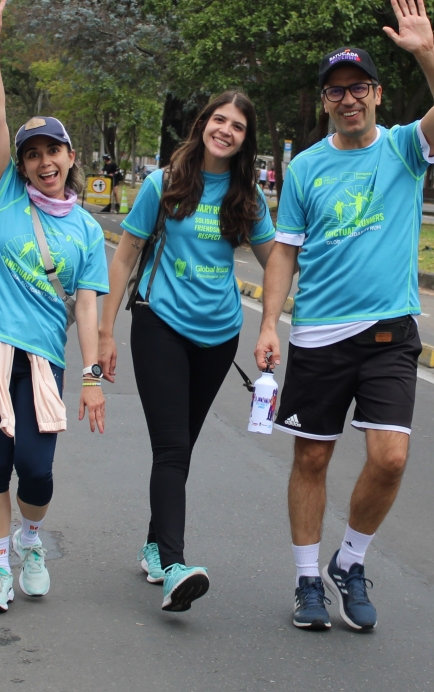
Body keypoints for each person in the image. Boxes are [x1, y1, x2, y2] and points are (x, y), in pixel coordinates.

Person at [254, 0, 434, 632]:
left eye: (359, 87)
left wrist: (426, 51)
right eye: (336, 90)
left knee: (390, 457)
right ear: (325, 101)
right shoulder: (306, 169)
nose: (348, 98)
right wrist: (268, 322)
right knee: (311, 459)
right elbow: (285, 253)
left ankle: (352, 561)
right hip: (318, 334)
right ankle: (306, 580)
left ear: (376, 93)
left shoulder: (404, 148)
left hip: (389, 331)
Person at [0, 0, 109, 614]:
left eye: (53, 152)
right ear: (20, 166)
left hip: (43, 361)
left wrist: (91, 377)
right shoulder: (9, 197)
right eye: (32, 155)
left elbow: (90, 309)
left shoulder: (89, 233)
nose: (44, 162)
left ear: (71, 158)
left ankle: (31, 541)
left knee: (36, 471)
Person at [99, 90, 275, 614]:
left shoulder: (248, 198)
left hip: (220, 335)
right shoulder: (164, 183)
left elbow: (278, 262)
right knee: (173, 447)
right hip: (161, 324)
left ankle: (155, 546)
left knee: (181, 446)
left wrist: (273, 323)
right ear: (203, 125)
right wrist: (105, 334)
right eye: (219, 120)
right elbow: (125, 255)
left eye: (237, 126)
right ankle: (175, 565)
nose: (225, 130)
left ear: (246, 140)